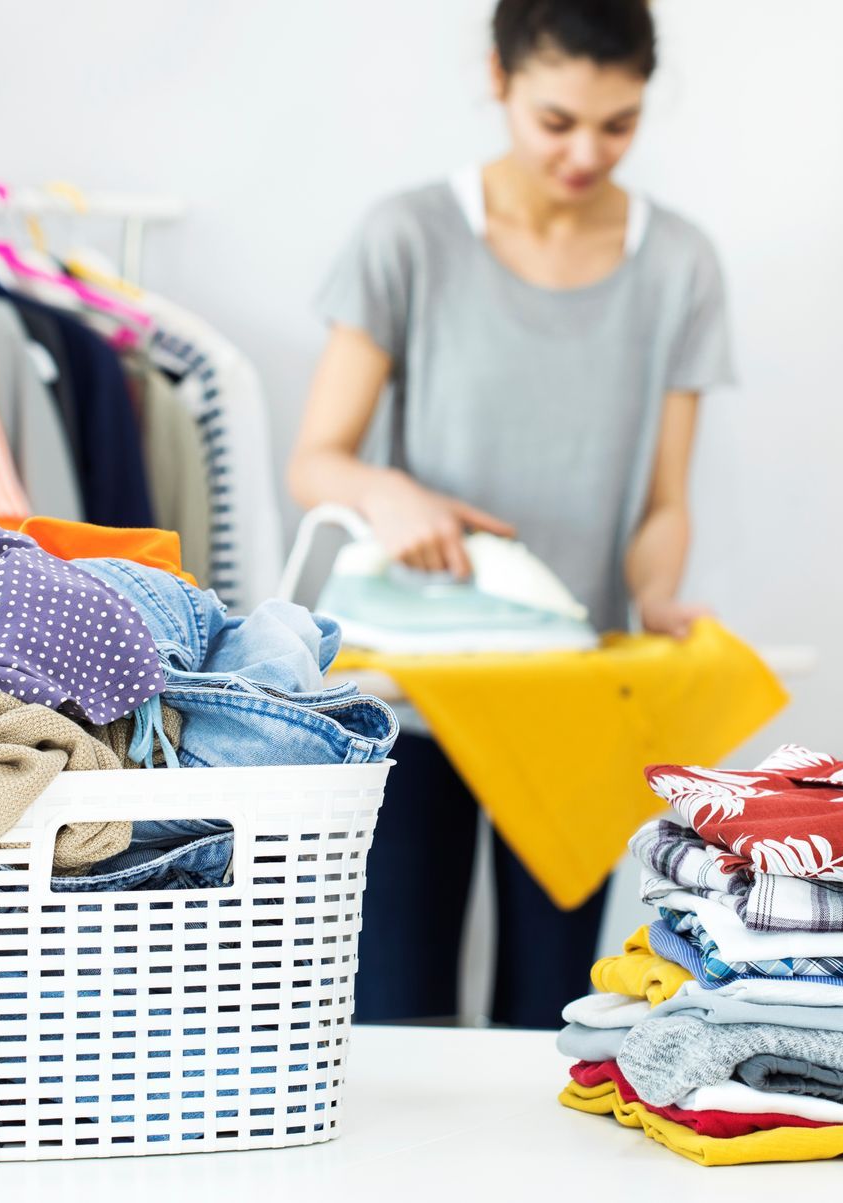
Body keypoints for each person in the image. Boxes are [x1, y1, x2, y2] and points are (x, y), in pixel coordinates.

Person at [289, 0, 734, 1028]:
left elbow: (668, 499)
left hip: (574, 700)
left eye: (617, 125)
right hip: (416, 697)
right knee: (396, 1014)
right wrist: (387, 493)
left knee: (559, 1019)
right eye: (556, 120)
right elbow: (317, 459)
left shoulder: (679, 265)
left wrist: (658, 593)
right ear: (497, 78)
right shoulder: (409, 235)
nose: (586, 152)